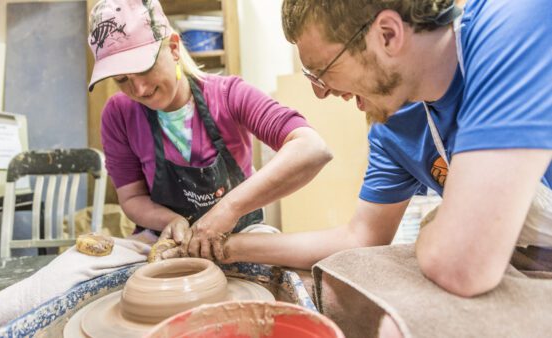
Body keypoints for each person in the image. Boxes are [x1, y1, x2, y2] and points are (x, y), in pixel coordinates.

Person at [190, 0, 552, 336]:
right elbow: (360, 237)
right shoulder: (393, 123)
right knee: (337, 287)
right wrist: (228, 247)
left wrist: (441, 233)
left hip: (496, 261)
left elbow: (463, 264)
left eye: (323, 71)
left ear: (388, 35)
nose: (321, 92)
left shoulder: (513, 22)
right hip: (512, 255)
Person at [87, 0, 332, 259]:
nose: (139, 90)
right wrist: (172, 221)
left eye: (144, 69)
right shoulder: (118, 114)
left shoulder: (229, 95)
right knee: (77, 270)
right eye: (122, 79)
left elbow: (312, 148)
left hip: (238, 236)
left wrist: (228, 210)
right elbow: (132, 197)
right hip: (164, 238)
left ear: (173, 47)